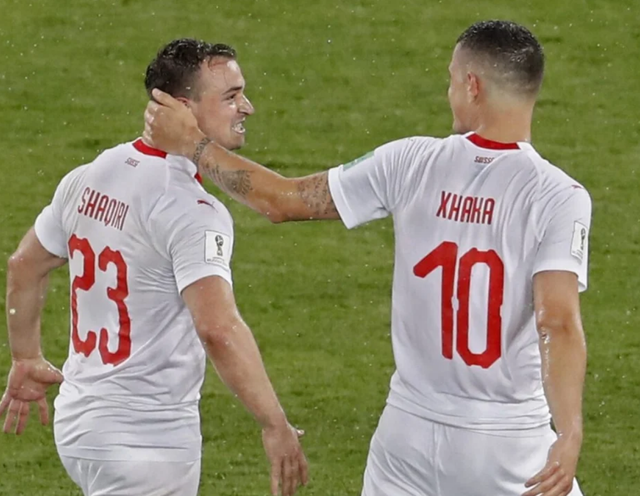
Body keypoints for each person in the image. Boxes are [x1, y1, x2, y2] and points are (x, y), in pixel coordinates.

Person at [143, 20, 590, 496]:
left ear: (472, 85)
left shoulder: (410, 162)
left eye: (451, 80)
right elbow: (556, 322)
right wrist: (569, 433)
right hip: (505, 446)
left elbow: (281, 200)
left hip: (406, 439)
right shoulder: (557, 196)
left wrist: (193, 144)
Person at [0, 38, 308, 496]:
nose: (247, 107)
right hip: (147, 441)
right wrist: (274, 424)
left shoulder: (91, 173)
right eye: (231, 96)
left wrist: (26, 357)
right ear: (183, 108)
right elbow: (218, 329)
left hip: (80, 426)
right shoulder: (191, 211)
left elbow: (25, 264)